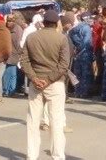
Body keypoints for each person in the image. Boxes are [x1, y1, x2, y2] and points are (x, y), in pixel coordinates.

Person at [20, 10, 70, 160]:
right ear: (56, 24)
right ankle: (57, 156)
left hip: (36, 84)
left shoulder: (31, 37)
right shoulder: (61, 39)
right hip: (55, 84)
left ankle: (31, 156)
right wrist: (48, 80)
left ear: (43, 23)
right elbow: (63, 65)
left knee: (33, 121)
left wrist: (34, 78)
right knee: (56, 122)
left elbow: (24, 62)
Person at [69, 12, 94, 98]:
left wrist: (76, 48)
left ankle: (77, 91)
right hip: (85, 52)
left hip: (77, 53)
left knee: (77, 73)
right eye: (90, 18)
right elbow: (86, 42)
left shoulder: (74, 29)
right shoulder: (86, 28)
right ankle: (84, 92)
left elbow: (70, 36)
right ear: (86, 18)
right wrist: (81, 48)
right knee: (85, 73)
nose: (91, 20)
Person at [3, 15, 23, 96]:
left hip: (14, 53)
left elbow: (18, 43)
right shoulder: (9, 29)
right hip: (8, 53)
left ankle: (9, 90)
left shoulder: (17, 30)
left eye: (10, 21)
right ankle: (9, 90)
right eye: (8, 20)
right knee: (10, 73)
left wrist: (19, 53)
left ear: (14, 21)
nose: (8, 22)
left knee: (10, 73)